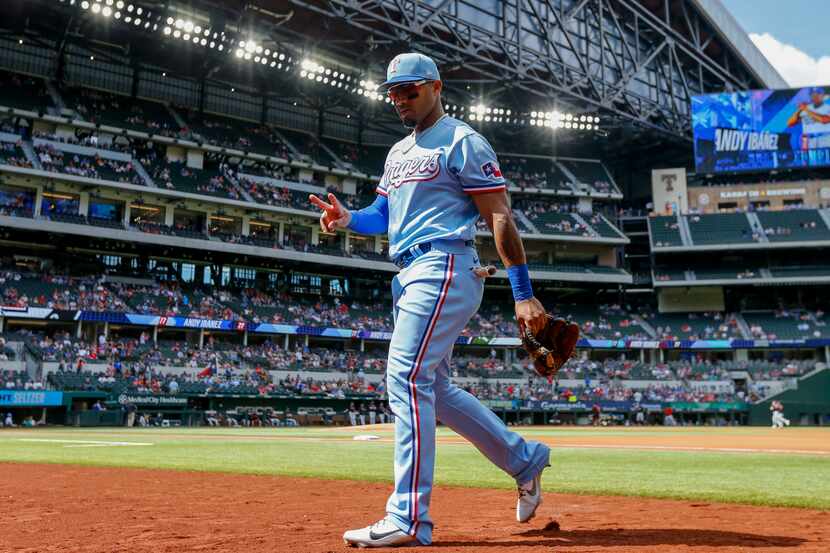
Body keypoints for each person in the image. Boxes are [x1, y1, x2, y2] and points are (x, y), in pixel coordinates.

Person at [312, 52, 549, 548]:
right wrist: (348, 219)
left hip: (445, 263)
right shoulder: (398, 153)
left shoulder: (462, 140)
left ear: (437, 86)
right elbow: (383, 216)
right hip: (410, 270)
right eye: (393, 92)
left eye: (410, 89)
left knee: (405, 376)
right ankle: (525, 460)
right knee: (434, 388)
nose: (400, 98)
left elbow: (499, 216)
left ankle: (408, 517)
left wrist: (523, 293)